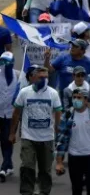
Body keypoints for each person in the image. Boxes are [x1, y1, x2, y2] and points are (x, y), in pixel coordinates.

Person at [11, 65, 62, 195]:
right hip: (28, 137)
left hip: (47, 138)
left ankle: (44, 192)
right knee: (27, 166)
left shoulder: (53, 94)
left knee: (45, 169)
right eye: (40, 77)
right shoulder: (24, 92)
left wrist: (58, 134)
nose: (43, 80)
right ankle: (27, 191)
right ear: (33, 77)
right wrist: (12, 133)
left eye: (46, 78)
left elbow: (58, 114)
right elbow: (16, 113)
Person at [54, 87, 90, 195]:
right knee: (76, 189)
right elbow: (61, 139)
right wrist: (59, 162)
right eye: (74, 98)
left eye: (79, 98)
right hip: (74, 157)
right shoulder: (68, 115)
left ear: (86, 100)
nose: (76, 100)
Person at [0, 52, 19, 182]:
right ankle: (9, 165)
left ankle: (3, 167)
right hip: (0, 113)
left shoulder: (18, 75)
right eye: (2, 62)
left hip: (12, 114)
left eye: (7, 62)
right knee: (3, 140)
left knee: (9, 139)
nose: (4, 65)